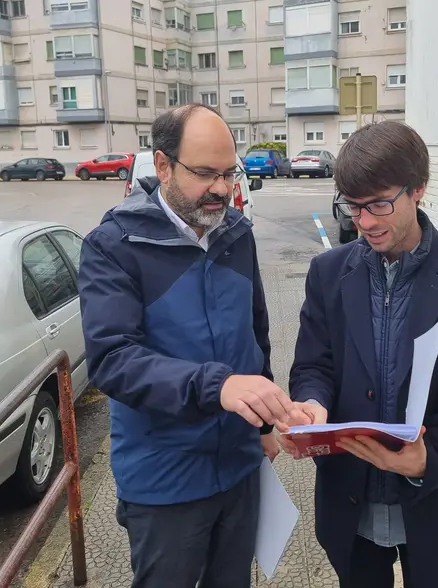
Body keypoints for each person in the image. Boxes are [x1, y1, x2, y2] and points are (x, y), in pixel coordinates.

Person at [78, 103, 302, 588]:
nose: (221, 188)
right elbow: (112, 360)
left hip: (240, 468)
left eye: (228, 172)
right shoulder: (113, 245)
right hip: (166, 481)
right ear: (162, 166)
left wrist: (264, 423)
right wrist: (217, 385)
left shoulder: (236, 232)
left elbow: (254, 332)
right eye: (204, 173)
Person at [279, 121, 438, 588]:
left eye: (380, 204)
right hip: (350, 500)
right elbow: (313, 365)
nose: (365, 223)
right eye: (353, 207)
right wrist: (311, 405)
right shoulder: (327, 273)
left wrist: (428, 459)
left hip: (435, 501)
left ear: (419, 188)